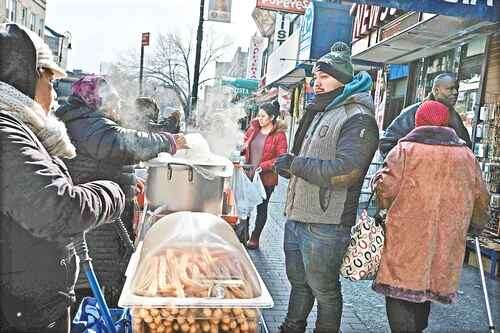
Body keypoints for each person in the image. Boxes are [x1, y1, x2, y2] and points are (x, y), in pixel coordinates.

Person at [0, 23, 125, 332]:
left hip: (31, 309)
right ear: (27, 77)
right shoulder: (6, 131)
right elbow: (58, 209)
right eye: (50, 80)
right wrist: (113, 192)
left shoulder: (23, 127)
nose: (54, 91)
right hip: (19, 315)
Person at [274, 42, 379, 333]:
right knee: (298, 284)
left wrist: (295, 165)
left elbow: (346, 172)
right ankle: (292, 327)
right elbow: (305, 160)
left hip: (327, 224)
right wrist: (287, 167)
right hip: (297, 216)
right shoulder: (321, 109)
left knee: (324, 290)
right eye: (315, 77)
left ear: (342, 80)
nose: (316, 84)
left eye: (324, 77)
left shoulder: (358, 117)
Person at [55, 75, 187, 306]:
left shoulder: (82, 119)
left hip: (96, 216)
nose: (117, 106)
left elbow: (98, 164)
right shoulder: (89, 123)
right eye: (112, 100)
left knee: (97, 278)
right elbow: (124, 143)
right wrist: (169, 141)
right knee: (95, 282)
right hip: (97, 225)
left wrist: (127, 182)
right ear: (95, 99)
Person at [372, 100, 490, 333]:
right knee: (425, 290)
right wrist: (475, 225)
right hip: (445, 240)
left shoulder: (405, 150)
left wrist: (380, 192)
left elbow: (385, 190)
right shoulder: (466, 155)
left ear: (418, 123)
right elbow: (481, 197)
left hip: (406, 238)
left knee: (400, 291)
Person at [379, 73, 472, 157]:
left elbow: (467, 147)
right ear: (436, 90)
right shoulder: (412, 113)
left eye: (457, 88)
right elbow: (387, 144)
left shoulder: (455, 117)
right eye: (450, 89)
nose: (455, 92)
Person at [240, 100, 288, 250]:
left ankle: (255, 237)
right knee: (244, 206)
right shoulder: (253, 129)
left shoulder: (279, 135)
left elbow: (282, 158)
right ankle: (243, 235)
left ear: (272, 117)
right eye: (258, 116)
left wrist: (264, 166)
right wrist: (241, 152)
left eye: (263, 116)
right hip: (248, 174)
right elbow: (245, 145)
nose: (259, 119)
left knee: (262, 207)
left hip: (265, 178)